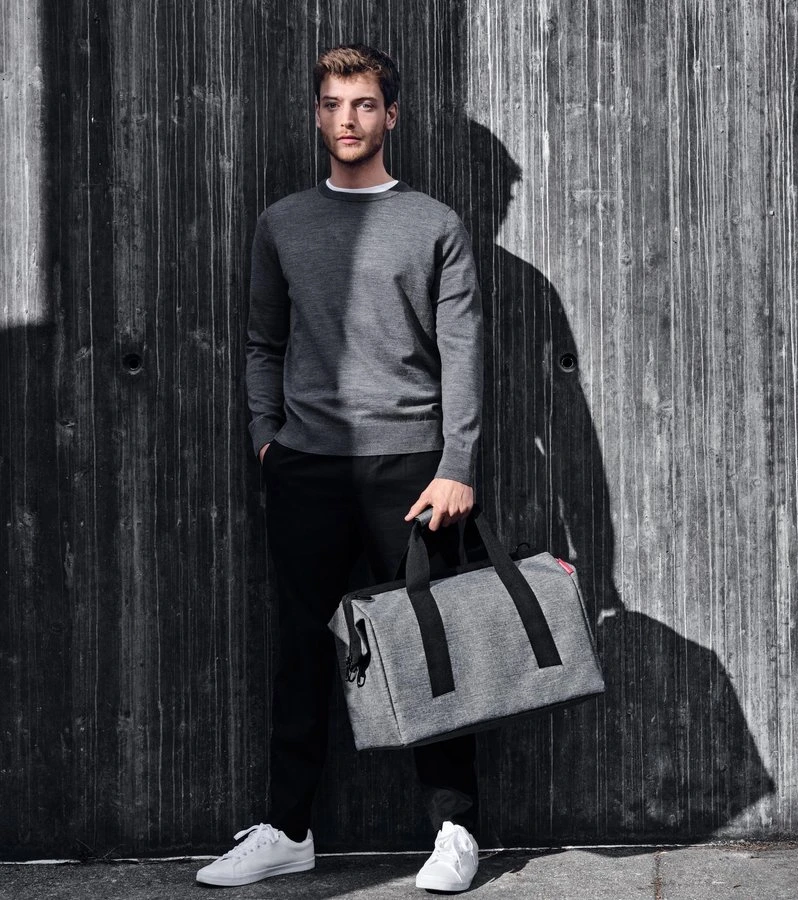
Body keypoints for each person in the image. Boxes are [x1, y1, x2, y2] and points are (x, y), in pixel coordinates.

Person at [196, 44, 483, 892]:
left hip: (414, 472)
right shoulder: (282, 223)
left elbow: (464, 358)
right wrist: (267, 438)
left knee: (431, 649)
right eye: (331, 104)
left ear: (391, 115)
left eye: (362, 104)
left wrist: (458, 462)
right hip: (307, 467)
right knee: (300, 651)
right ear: (317, 114)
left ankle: (455, 831)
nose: (346, 119)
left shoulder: (435, 224)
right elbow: (263, 343)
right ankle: (289, 830)